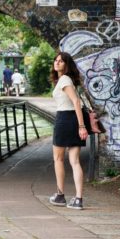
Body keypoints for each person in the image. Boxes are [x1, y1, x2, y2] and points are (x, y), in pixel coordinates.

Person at [48, 51, 87, 210]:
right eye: (56, 60)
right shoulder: (66, 80)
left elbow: (76, 101)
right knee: (75, 161)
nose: (57, 63)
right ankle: (78, 199)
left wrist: (82, 126)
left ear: (67, 64)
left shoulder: (64, 79)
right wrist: (80, 125)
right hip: (72, 121)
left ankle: (60, 195)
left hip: (64, 120)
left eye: (61, 61)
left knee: (58, 159)